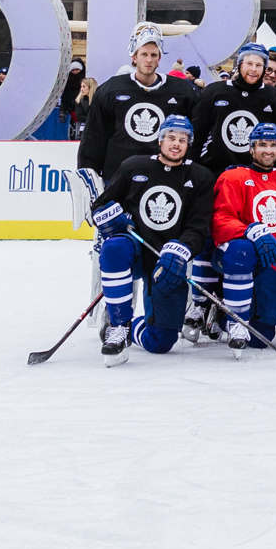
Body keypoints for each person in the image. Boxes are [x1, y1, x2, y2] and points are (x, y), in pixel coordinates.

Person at [89, 116, 219, 365]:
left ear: (189, 144)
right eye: (171, 138)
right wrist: (109, 218)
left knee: (161, 342)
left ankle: (135, 326)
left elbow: (198, 227)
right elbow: (100, 206)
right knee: (114, 246)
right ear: (160, 140)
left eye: (182, 140)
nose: (176, 144)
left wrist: (181, 249)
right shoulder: (133, 166)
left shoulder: (200, 177)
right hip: (136, 248)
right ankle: (119, 324)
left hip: (169, 261)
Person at [207, 121, 276, 354]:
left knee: (261, 337)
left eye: (273, 145)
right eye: (262, 144)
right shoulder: (234, 177)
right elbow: (220, 219)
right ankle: (225, 312)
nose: (268, 150)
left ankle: (228, 312)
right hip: (239, 257)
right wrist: (251, 230)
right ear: (251, 148)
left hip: (273, 262)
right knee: (241, 251)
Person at [77, 24, 200, 182]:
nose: (149, 60)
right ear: (134, 57)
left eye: (154, 55)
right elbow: (94, 138)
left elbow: (195, 135)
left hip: (165, 178)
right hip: (118, 178)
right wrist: (89, 176)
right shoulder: (110, 90)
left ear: (159, 58)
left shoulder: (183, 91)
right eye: (144, 54)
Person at [192, 41, 276, 172]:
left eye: (259, 65)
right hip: (216, 172)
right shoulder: (214, 92)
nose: (253, 69)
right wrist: (194, 170)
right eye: (249, 64)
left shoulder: (275, 97)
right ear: (240, 64)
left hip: (257, 175)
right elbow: (197, 134)